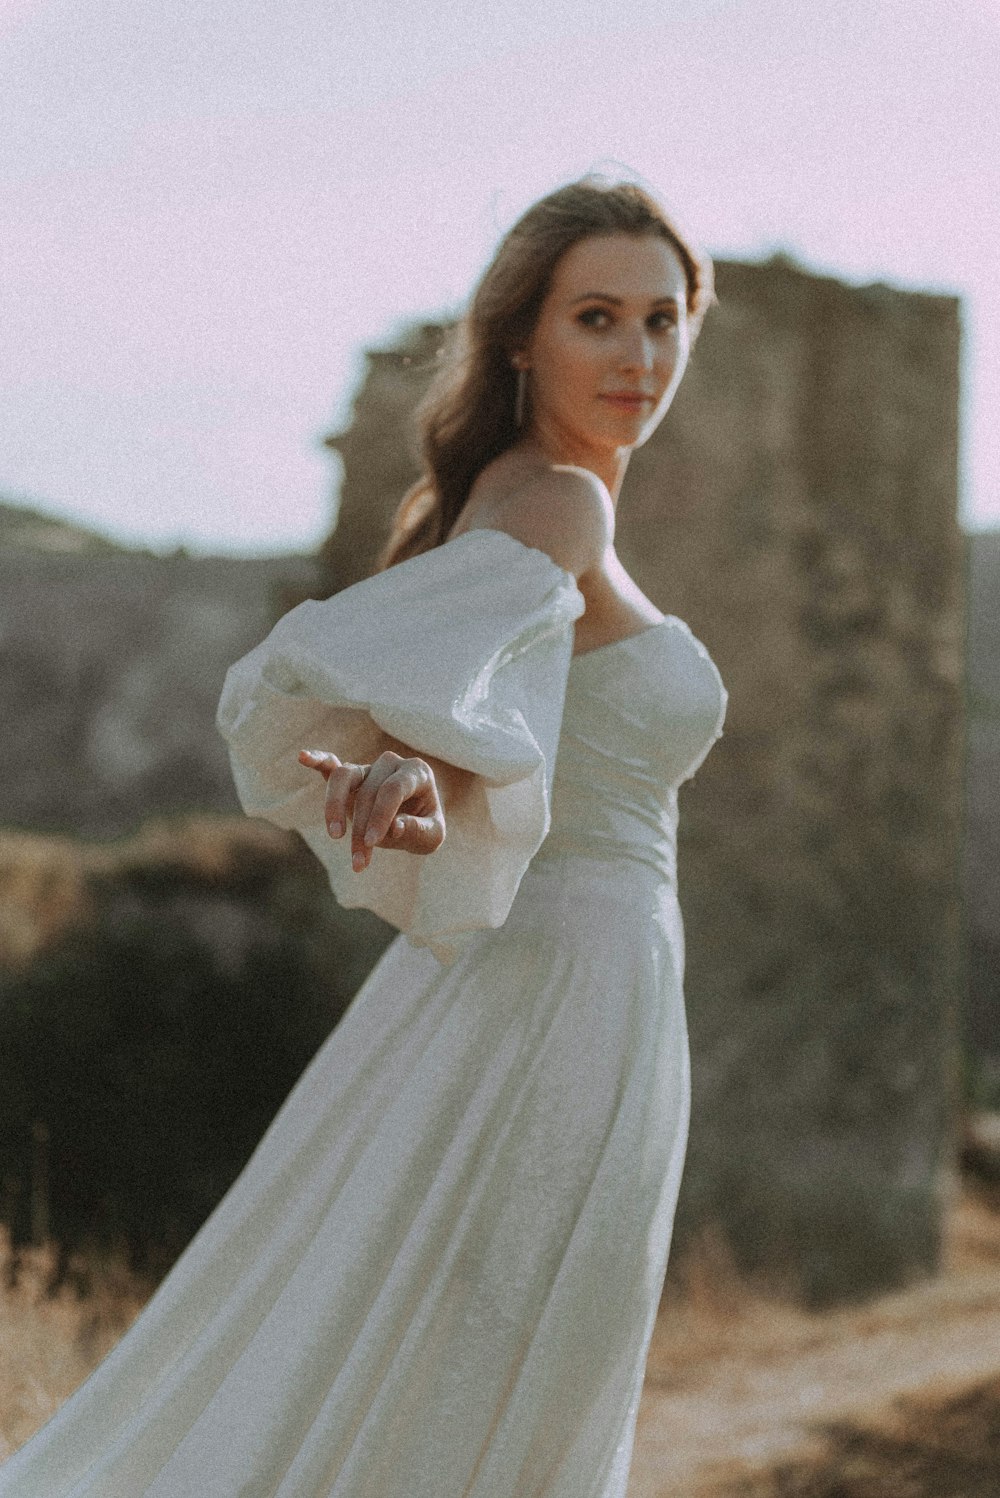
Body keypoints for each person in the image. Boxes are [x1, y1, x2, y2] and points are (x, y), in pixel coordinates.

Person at [0, 175, 728, 1497]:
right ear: (524, 340)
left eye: (664, 321)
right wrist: (406, 762)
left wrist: (416, 768)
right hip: (562, 994)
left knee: (455, 1349)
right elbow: (462, 685)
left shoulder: (522, 491)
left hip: (566, 980)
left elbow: (489, 689)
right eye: (598, 319)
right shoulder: (562, 502)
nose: (639, 356)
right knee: (506, 1363)